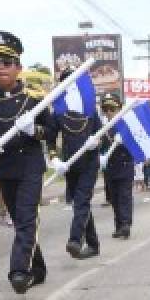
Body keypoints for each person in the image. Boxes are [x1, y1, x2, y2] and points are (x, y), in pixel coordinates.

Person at [0, 32, 53, 293]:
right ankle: (38, 268)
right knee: (20, 221)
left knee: (28, 217)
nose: (0, 68)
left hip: (30, 163)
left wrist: (34, 130)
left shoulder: (34, 97)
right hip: (6, 165)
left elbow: (50, 132)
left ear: (18, 66)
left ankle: (19, 271)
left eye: (6, 63)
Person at [51, 70, 101, 260]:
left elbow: (101, 134)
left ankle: (75, 240)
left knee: (81, 201)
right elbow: (50, 138)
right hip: (69, 164)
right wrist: (55, 159)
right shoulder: (58, 111)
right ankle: (93, 244)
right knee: (80, 204)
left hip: (89, 162)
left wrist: (95, 141)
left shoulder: (90, 110)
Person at [101, 93, 136, 238]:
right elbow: (100, 146)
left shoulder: (127, 125)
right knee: (114, 198)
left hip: (125, 164)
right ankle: (119, 225)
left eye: (112, 108)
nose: (109, 112)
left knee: (125, 196)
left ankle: (126, 224)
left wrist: (125, 141)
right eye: (106, 109)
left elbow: (136, 145)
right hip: (109, 167)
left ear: (119, 109)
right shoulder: (102, 127)